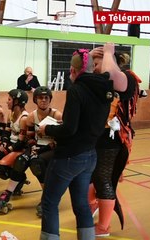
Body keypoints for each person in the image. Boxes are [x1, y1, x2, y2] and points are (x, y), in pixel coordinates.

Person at [37, 49, 114, 240]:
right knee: (81, 204)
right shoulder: (105, 87)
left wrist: (47, 130)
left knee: (49, 203)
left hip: (70, 157)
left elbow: (69, 129)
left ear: (72, 70)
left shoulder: (76, 89)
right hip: (90, 155)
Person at [89, 43, 143, 237]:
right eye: (94, 64)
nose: (95, 68)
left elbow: (112, 77)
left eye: (97, 64)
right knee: (91, 177)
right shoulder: (101, 80)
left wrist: (109, 53)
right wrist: (88, 58)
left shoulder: (125, 77)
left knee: (103, 179)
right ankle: (96, 205)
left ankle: (104, 226)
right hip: (97, 137)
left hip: (111, 140)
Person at [25, 86, 62, 217]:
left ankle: (48, 198)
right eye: (40, 98)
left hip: (55, 148)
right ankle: (49, 196)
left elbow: (62, 137)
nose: (43, 100)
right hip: (40, 147)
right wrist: (33, 147)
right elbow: (29, 139)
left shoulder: (56, 115)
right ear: (35, 100)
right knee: (30, 162)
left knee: (38, 162)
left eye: (46, 98)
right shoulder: (31, 117)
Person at [0, 89, 29, 214]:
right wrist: (3, 144)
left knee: (0, 168)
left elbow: (21, 142)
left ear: (17, 102)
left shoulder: (24, 118)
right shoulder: (11, 114)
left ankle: (19, 178)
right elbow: (6, 133)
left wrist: (5, 151)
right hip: (12, 145)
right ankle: (19, 179)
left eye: (9, 99)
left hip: (21, 148)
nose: (7, 102)